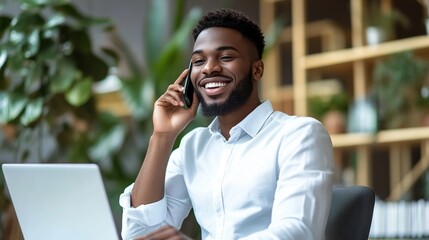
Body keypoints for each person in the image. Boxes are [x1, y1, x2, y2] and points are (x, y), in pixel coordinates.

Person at [119, 8, 333, 240]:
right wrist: (162, 136)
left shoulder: (299, 135)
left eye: (226, 57)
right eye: (198, 61)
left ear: (257, 69)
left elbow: (297, 232)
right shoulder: (193, 146)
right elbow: (139, 233)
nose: (209, 68)